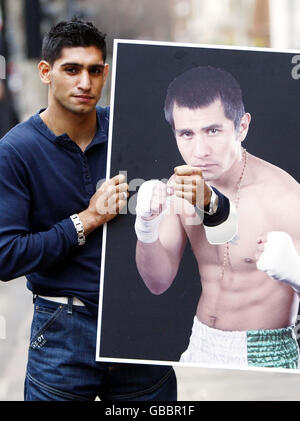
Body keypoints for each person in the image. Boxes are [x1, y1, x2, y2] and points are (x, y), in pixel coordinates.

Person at [0, 18, 176, 401]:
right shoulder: (15, 151)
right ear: (46, 72)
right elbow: (6, 257)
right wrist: (88, 219)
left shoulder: (132, 132)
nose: (85, 83)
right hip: (63, 328)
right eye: (72, 69)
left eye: (95, 70)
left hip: (138, 322)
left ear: (106, 72)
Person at [135, 65, 300, 369]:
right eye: (186, 134)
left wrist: (296, 272)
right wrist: (146, 227)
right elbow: (157, 282)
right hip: (201, 343)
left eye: (213, 131)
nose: (200, 150)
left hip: (266, 353)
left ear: (242, 127)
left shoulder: (286, 197)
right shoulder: (178, 190)